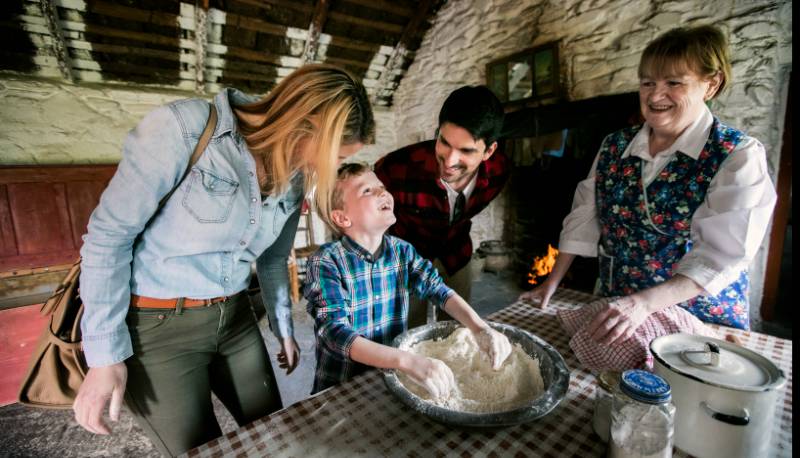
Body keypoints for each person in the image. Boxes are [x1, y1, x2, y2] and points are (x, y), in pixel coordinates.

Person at [73, 64, 375, 456]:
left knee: (277, 436)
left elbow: (273, 258)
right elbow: (108, 237)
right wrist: (104, 357)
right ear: (309, 123)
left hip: (235, 319)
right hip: (158, 329)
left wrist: (283, 326)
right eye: (333, 155)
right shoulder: (184, 128)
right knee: (204, 449)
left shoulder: (296, 175)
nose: (326, 169)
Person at [519, 25, 777, 370]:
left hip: (694, 317)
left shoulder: (736, 155)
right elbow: (585, 214)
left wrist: (644, 304)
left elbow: (720, 255)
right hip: (621, 307)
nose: (656, 96)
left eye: (674, 83)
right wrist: (552, 280)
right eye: (647, 83)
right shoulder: (615, 146)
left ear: (711, 84)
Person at [303, 162, 512, 395]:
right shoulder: (326, 262)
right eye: (367, 190)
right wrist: (408, 361)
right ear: (342, 218)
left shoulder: (402, 252)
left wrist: (480, 328)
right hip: (343, 388)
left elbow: (438, 289)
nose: (383, 192)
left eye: (381, 186)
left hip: (388, 378)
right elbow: (334, 332)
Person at [374, 85, 509, 328]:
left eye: (466, 151)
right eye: (444, 142)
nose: (449, 161)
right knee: (407, 330)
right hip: (408, 258)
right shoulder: (394, 167)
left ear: (489, 151)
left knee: (458, 330)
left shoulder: (500, 172)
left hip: (456, 254)